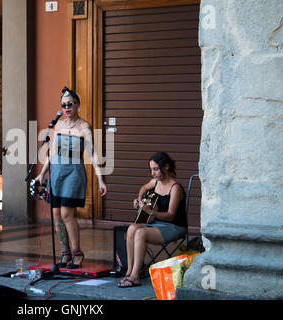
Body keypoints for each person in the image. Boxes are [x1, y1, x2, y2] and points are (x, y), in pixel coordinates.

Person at [34, 87, 107, 269]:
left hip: (73, 171)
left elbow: (93, 154)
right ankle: (64, 252)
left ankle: (77, 253)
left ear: (77, 106)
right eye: (63, 105)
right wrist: (42, 174)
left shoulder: (84, 127)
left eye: (70, 104)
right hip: (56, 171)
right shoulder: (58, 125)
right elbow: (51, 153)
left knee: (67, 213)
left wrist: (101, 180)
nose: (67, 107)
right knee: (56, 213)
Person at [118, 151, 187, 287]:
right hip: (158, 224)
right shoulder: (155, 182)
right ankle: (129, 272)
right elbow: (143, 188)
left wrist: (149, 212)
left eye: (155, 169)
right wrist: (139, 200)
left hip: (174, 226)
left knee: (140, 232)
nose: (152, 173)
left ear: (166, 167)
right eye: (151, 169)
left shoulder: (175, 188)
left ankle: (135, 276)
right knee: (132, 227)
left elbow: (170, 215)